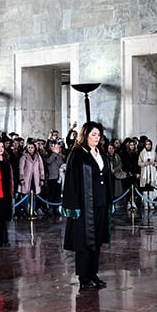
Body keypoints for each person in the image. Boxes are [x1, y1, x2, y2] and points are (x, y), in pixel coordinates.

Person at [61, 122, 113, 289]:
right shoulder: (77, 154)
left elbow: (107, 178)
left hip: (100, 203)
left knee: (96, 240)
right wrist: (72, 205)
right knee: (84, 241)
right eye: (93, 135)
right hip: (84, 205)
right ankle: (84, 276)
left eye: (99, 135)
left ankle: (93, 273)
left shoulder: (102, 154)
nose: (97, 138)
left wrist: (109, 200)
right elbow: (70, 181)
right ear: (86, 135)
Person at [138, 138, 157, 210]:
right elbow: (139, 163)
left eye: (149, 144)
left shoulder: (154, 152)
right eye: (147, 144)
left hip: (152, 172)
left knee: (151, 189)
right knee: (145, 189)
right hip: (145, 172)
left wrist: (154, 163)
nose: (148, 146)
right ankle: (145, 204)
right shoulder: (142, 153)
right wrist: (145, 163)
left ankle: (151, 203)